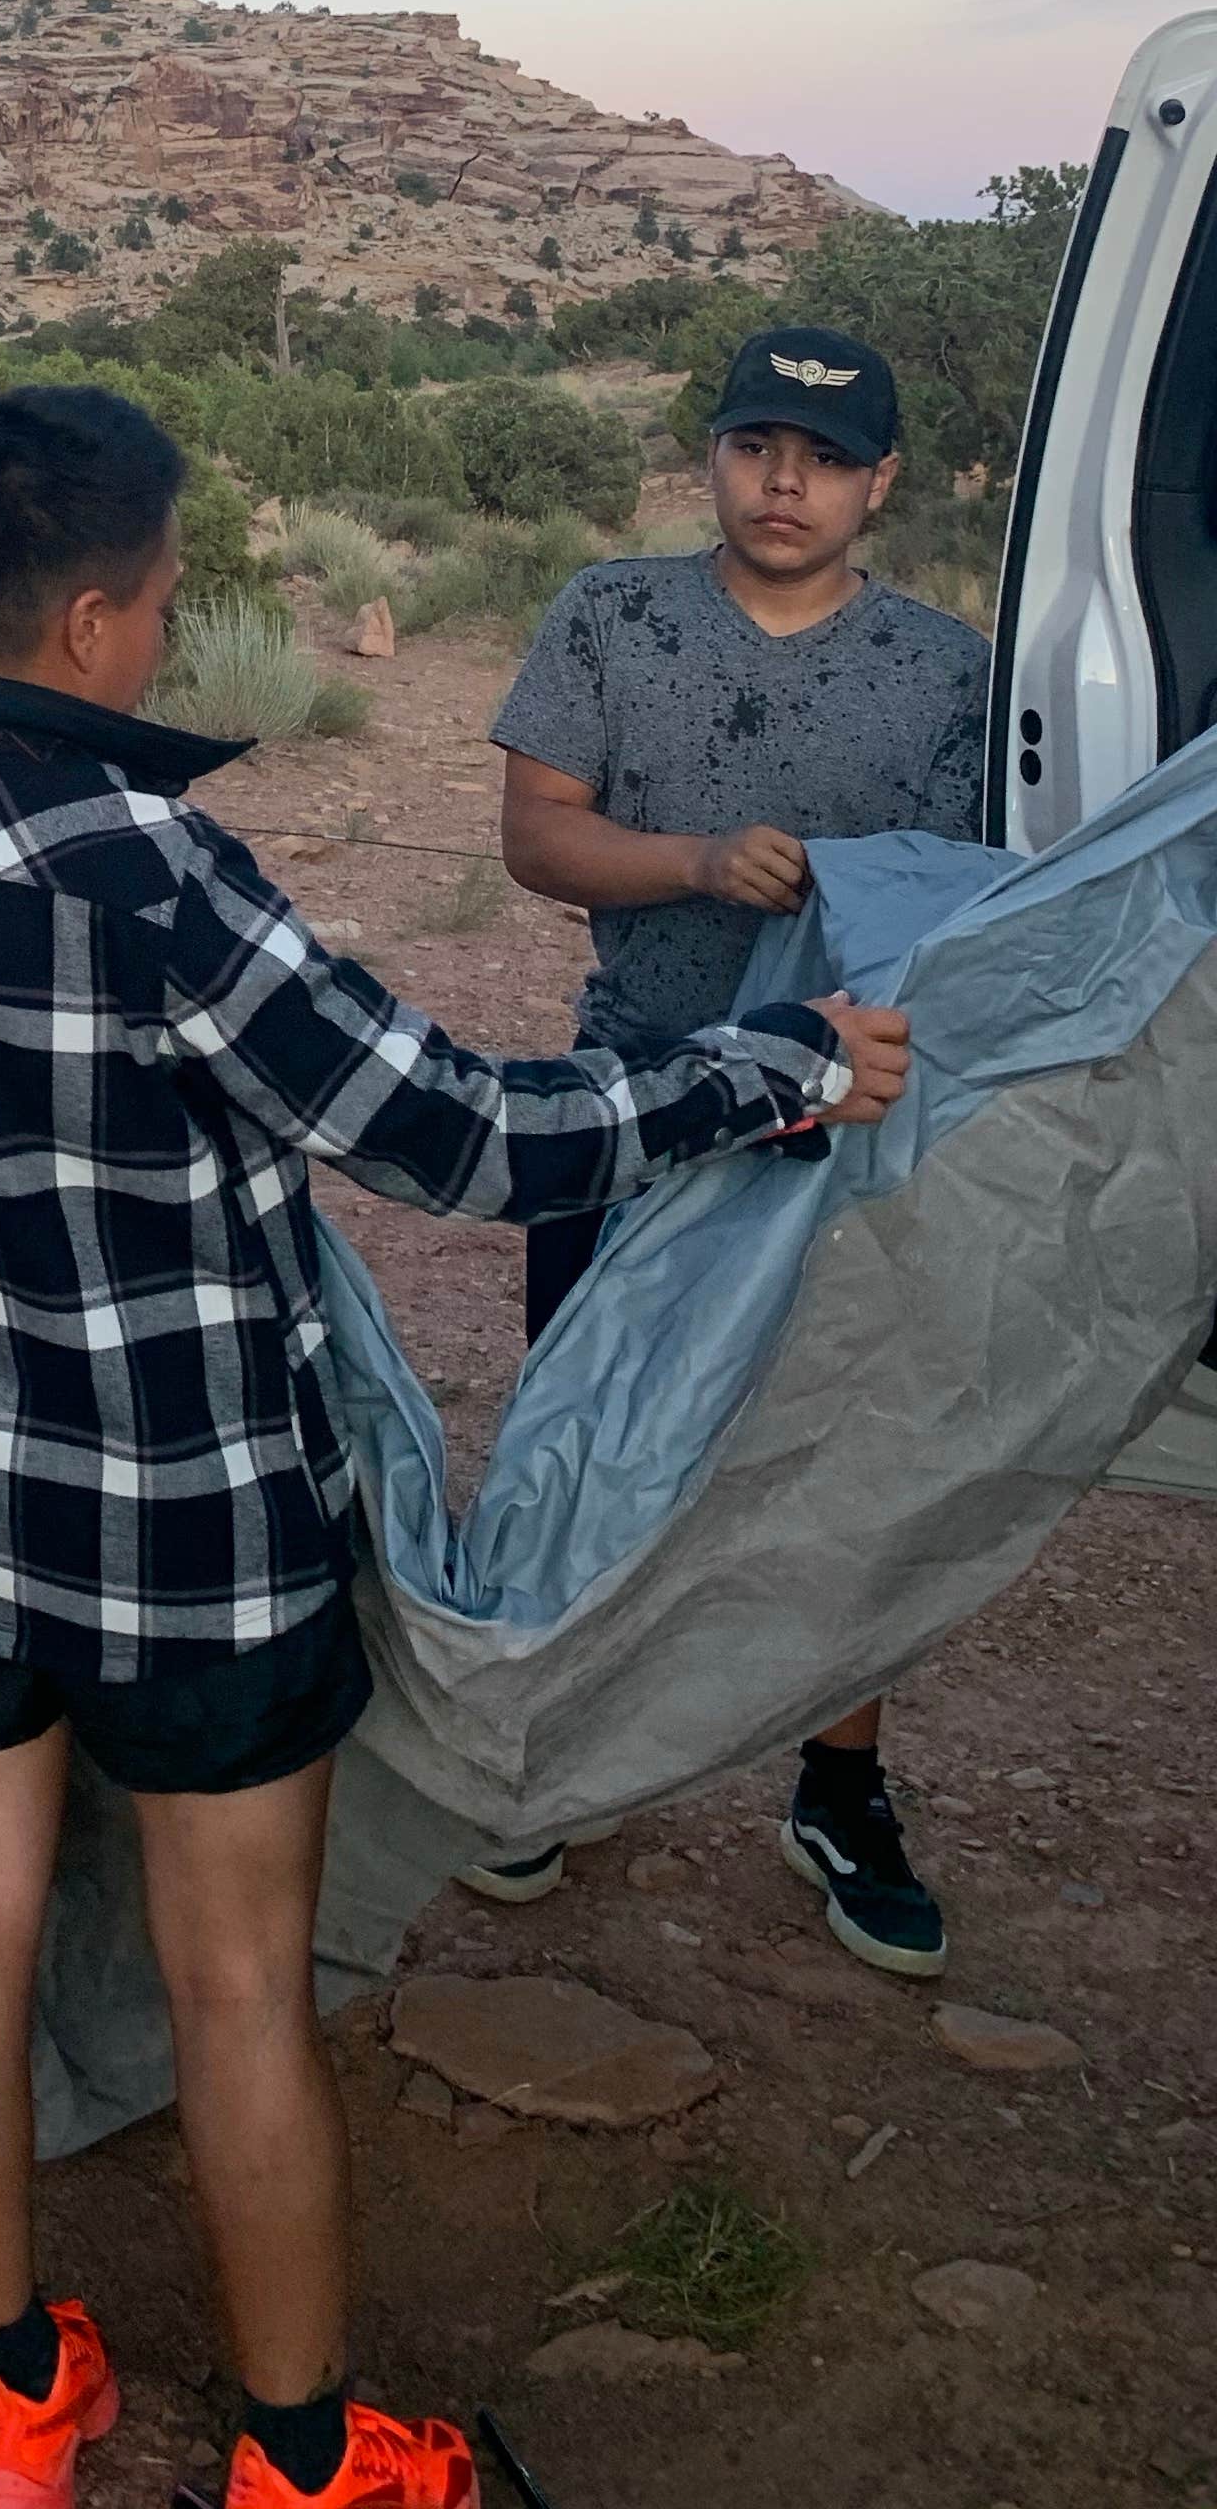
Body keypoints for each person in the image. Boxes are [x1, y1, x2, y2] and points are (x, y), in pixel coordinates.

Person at [0, 384, 909, 2509]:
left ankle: (14, 2401)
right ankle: (305, 2461)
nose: (168, 629)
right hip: (186, 1535)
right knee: (237, 1988)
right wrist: (775, 1069)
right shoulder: (151, 872)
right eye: (168, 599)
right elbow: (461, 1137)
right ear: (95, 621)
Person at [476, 325, 987, 1977]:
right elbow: (536, 833)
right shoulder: (610, 614)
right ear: (711, 455)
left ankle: (839, 1789)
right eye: (760, 446)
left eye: (827, 460)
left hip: (850, 1116)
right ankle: (545, 1752)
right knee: (585, 1422)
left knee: (841, 1458)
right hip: (634, 1092)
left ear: (881, 483)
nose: (787, 484)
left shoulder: (948, 671)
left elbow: (973, 904)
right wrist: (697, 862)